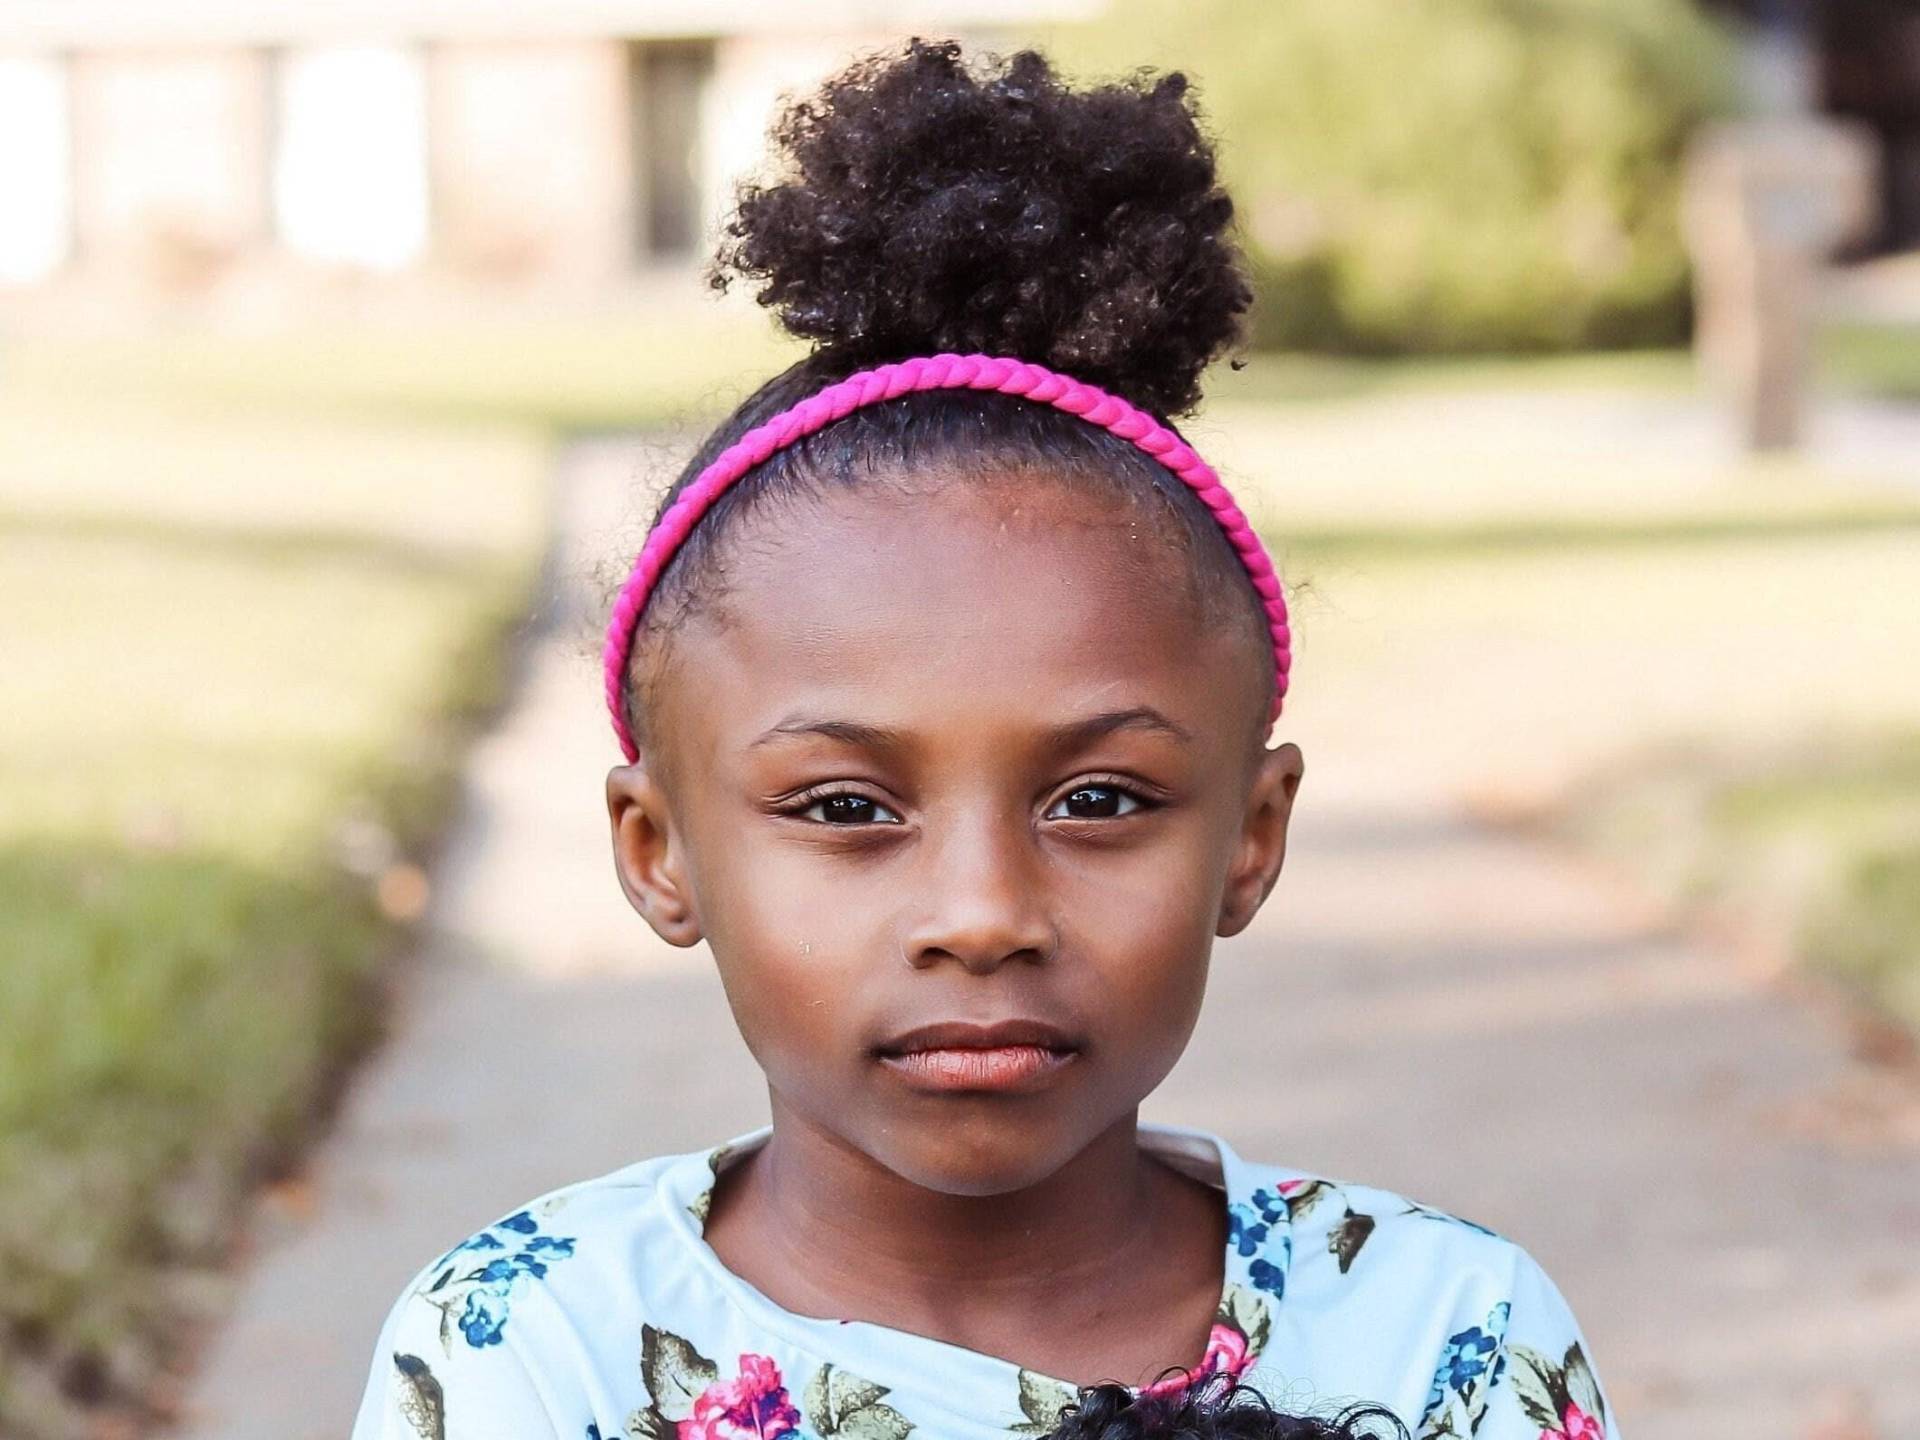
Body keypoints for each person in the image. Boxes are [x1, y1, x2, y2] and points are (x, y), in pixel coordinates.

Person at [351, 37, 1619, 1440]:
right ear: (659, 853)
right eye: (843, 809)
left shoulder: (1441, 1339)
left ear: (1252, 838)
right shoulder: (528, 1352)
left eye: (1096, 799)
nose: (983, 914)